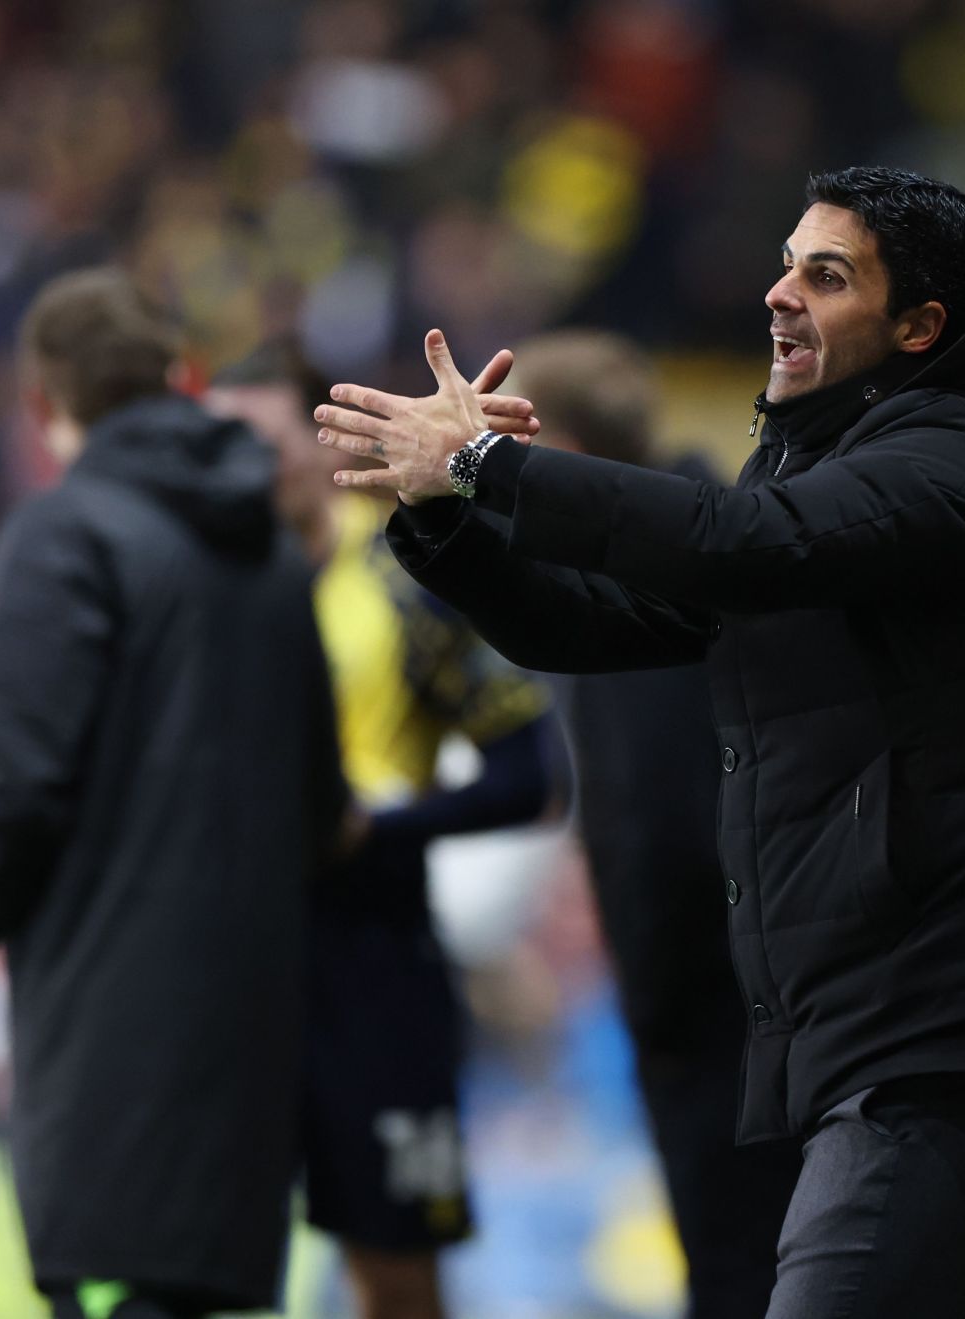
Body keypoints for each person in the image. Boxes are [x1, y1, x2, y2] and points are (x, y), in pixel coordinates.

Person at [312, 165, 965, 1317]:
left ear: (919, 324)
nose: (781, 294)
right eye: (786, 263)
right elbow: (587, 624)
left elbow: (736, 542)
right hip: (852, 1041)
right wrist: (444, 516)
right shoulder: (814, 472)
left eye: (826, 275)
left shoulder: (957, 457)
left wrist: (493, 465)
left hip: (941, 1040)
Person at [0, 268, 344, 1319]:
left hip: (107, 1043)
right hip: (248, 1043)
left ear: (43, 400)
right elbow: (320, 804)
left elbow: (13, 789)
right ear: (179, 379)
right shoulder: (273, 556)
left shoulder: (65, 535)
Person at [206, 341, 559, 1319]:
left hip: (374, 959)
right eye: (217, 443)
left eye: (261, 441)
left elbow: (531, 775)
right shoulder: (200, 589)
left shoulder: (407, 570)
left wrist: (379, 829)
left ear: (321, 444)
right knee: (207, 1260)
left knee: (396, 1271)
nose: (238, 466)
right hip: (233, 961)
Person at [499, 330, 799, 1319]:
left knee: (740, 1275)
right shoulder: (710, 542)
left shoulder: (648, 583)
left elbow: (666, 825)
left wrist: (660, 1017)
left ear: (569, 450)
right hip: (763, 1002)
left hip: (721, 1012)